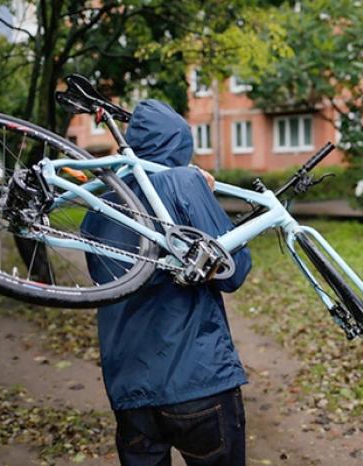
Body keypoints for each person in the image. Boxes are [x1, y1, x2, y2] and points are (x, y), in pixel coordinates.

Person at [80, 99, 252, 466]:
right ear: (181, 144)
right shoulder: (182, 181)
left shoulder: (101, 206)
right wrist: (202, 192)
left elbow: (108, 279)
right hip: (198, 381)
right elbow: (234, 270)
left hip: (130, 393)